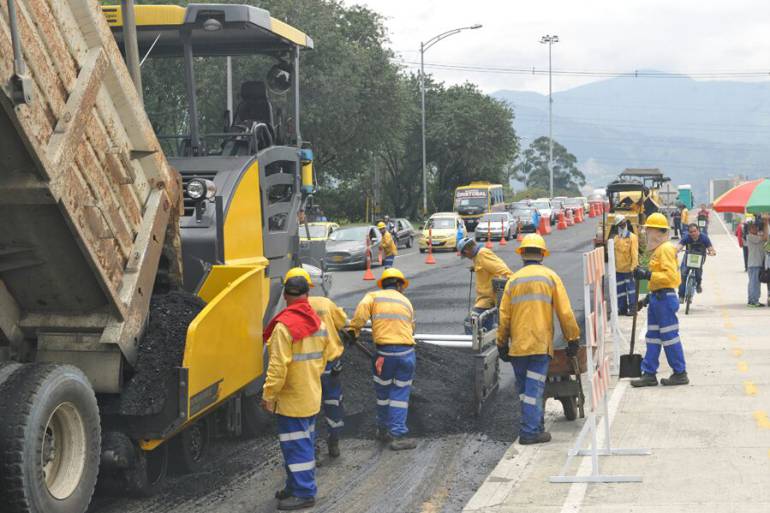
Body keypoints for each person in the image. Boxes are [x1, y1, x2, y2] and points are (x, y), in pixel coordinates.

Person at [262, 271, 342, 510]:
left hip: (292, 399)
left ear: (285, 295)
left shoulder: (283, 327)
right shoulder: (317, 323)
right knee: (301, 442)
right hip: (310, 393)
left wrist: (268, 395)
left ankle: (305, 493)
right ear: (307, 294)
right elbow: (326, 356)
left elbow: (277, 368)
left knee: (297, 446)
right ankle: (294, 486)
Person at [497, 234, 580, 444]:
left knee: (525, 392)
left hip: (518, 347)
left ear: (522, 254)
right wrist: (573, 338)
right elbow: (565, 312)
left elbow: (504, 316)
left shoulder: (513, 280)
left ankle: (535, 426)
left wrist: (501, 344)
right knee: (534, 390)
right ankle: (530, 432)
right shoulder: (550, 277)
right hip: (539, 346)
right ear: (542, 254)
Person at [281, 267, 349, 459]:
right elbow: (343, 322)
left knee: (308, 409)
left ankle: (312, 450)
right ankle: (333, 441)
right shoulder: (324, 303)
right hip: (329, 365)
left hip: (305, 368)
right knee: (333, 404)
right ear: (308, 287)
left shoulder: (289, 310)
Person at [349, 268, 417, 450]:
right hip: (406, 354)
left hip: (383, 355)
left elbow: (360, 315)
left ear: (384, 283)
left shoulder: (373, 296)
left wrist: (353, 332)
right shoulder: (406, 302)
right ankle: (397, 435)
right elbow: (412, 329)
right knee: (399, 395)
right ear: (399, 284)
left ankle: (382, 430)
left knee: (383, 394)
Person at [632, 213, 688, 388]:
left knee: (669, 337)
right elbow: (659, 279)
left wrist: (648, 274)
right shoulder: (658, 250)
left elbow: (671, 277)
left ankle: (680, 373)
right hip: (658, 298)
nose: (646, 234)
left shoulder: (665, 249)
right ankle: (649, 373)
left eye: (649, 230)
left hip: (664, 299)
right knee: (653, 338)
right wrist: (647, 297)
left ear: (658, 232)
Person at [457, 237, 514, 331]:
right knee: (489, 329)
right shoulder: (477, 256)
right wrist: (474, 267)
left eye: (466, 256)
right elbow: (486, 267)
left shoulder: (482, 254)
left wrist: (514, 283)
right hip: (487, 300)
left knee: (470, 323)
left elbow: (503, 270)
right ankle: (488, 345)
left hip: (488, 300)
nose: (468, 258)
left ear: (466, 251)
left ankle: (477, 346)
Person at [676, 223, 716, 299]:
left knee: (698, 273)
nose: (693, 233)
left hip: (700, 257)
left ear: (698, 231)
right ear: (689, 232)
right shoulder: (686, 237)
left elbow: (711, 248)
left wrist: (712, 252)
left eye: (695, 231)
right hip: (688, 256)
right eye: (691, 232)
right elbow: (679, 246)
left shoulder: (704, 238)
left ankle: (698, 284)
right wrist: (676, 251)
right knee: (683, 274)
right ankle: (681, 295)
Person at [613, 215, 639, 315]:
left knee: (631, 290)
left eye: (622, 223)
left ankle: (633, 308)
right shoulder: (616, 238)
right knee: (620, 290)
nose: (621, 226)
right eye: (620, 224)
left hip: (629, 269)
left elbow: (634, 254)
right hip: (618, 270)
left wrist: (633, 267)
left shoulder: (632, 237)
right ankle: (622, 308)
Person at [746, 215, 769, 307]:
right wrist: (766, 223)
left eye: (755, 227)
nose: (755, 229)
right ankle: (752, 301)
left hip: (757, 264)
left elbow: (766, 238)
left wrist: (765, 224)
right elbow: (765, 237)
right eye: (752, 228)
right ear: (749, 230)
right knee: (754, 283)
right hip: (754, 264)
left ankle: (754, 300)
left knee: (755, 283)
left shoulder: (756, 236)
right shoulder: (750, 236)